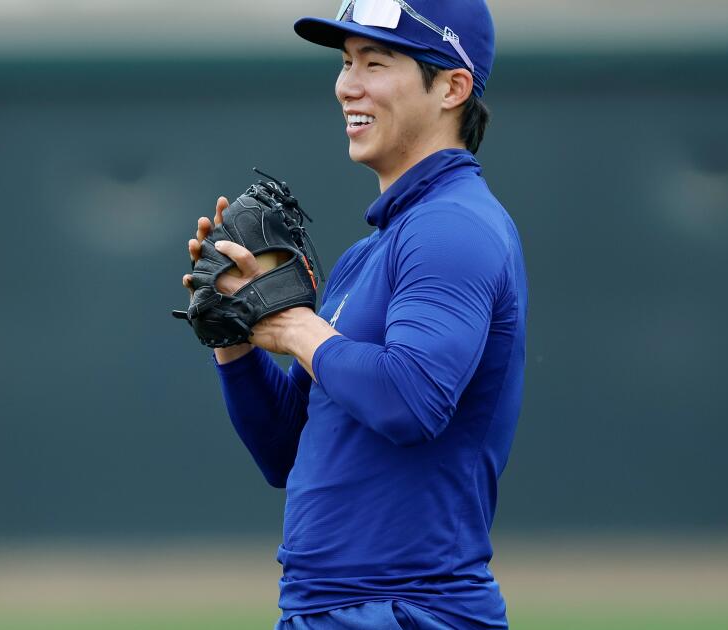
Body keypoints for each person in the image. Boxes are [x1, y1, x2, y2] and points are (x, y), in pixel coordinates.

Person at [180, 1, 526, 627]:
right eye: (346, 63)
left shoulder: (452, 226)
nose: (347, 86)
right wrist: (235, 333)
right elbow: (286, 450)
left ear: (452, 87)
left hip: (408, 608)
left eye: (376, 62)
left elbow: (410, 399)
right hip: (331, 607)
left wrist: (296, 327)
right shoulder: (371, 253)